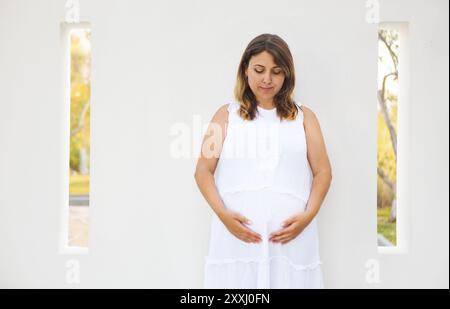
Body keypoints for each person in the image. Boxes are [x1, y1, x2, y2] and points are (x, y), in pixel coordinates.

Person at [194, 33, 332, 288]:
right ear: (245, 69)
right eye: (259, 70)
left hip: (291, 245)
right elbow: (203, 170)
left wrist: (308, 216)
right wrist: (223, 215)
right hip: (236, 245)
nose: (267, 79)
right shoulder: (224, 116)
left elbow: (323, 172)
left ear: (287, 75)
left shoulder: (305, 117)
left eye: (276, 71)